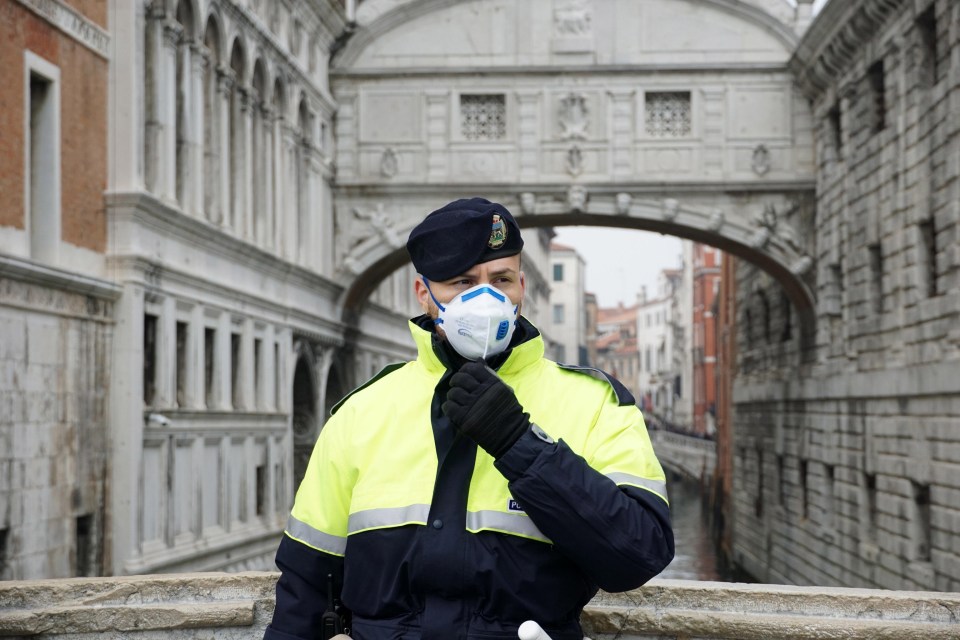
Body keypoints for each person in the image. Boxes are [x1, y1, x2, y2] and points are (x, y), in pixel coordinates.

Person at [264, 197, 674, 640]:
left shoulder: (595, 403)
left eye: (501, 279)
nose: (486, 298)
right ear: (425, 294)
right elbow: (306, 586)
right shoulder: (363, 412)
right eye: (462, 282)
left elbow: (638, 554)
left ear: (521, 286)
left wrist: (520, 445)